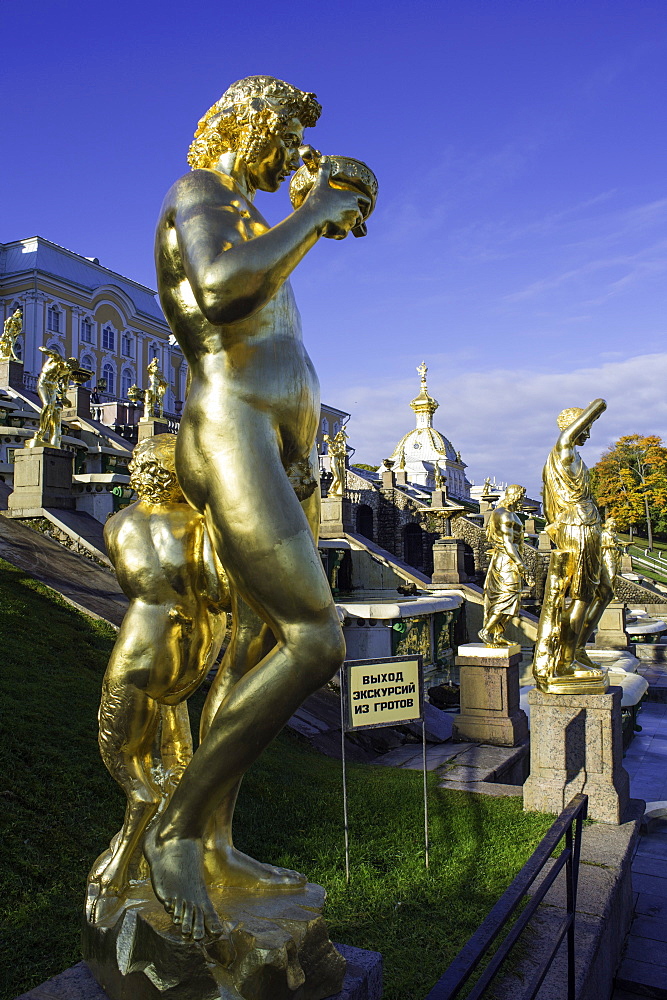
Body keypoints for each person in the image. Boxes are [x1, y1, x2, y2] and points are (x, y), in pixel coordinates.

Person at [148, 75, 370, 940]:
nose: (287, 156)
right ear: (244, 129)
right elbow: (223, 293)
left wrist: (306, 451)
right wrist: (313, 215)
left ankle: (215, 839)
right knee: (317, 638)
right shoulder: (199, 194)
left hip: (276, 450)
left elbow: (274, 331)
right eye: (279, 136)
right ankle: (174, 832)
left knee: (254, 652)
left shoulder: (252, 217)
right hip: (230, 431)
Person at [86, 435, 227, 920]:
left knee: (120, 751)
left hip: (134, 643)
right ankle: (166, 841)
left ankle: (136, 846)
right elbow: (217, 589)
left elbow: (131, 579)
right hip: (181, 646)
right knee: (173, 750)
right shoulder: (197, 523)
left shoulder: (115, 524)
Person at [534, 398, 608, 685]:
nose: (588, 434)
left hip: (586, 524)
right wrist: (597, 408)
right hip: (577, 526)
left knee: (604, 591)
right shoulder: (562, 451)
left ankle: (577, 648)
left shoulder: (575, 457)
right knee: (581, 595)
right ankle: (566, 660)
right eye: (586, 428)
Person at [479, 484, 532, 646]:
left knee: (514, 600)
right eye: (521, 496)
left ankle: (498, 634)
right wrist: (521, 565)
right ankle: (486, 631)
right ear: (515, 496)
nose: (522, 500)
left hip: (509, 559)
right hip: (506, 561)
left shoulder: (509, 513)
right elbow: (508, 543)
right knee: (506, 597)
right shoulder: (504, 515)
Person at [26, 346, 78, 448]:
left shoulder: (67, 371)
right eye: (67, 367)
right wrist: (47, 351)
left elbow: (65, 385)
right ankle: (40, 433)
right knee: (48, 405)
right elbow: (42, 348)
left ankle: (50, 439)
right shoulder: (57, 359)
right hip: (43, 384)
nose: (67, 370)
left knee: (53, 411)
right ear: (66, 363)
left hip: (53, 388)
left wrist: (63, 397)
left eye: (69, 370)